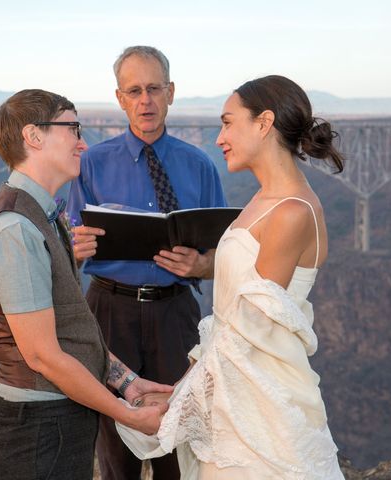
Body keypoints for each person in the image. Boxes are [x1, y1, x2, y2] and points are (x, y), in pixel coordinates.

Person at [117, 75, 346, 479]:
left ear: (263, 123)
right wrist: (178, 388)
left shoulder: (292, 212)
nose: (220, 137)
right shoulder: (261, 200)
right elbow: (228, 324)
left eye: (227, 122)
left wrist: (177, 404)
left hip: (263, 410)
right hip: (232, 394)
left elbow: (247, 334)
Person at [0, 89, 171, 480]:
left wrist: (127, 382)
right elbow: (44, 357)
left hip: (56, 422)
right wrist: (127, 414)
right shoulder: (15, 230)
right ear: (34, 136)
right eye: (72, 128)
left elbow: (70, 327)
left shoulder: (41, 216)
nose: (83, 141)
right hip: (36, 433)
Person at [66, 46, 227, 480]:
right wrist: (72, 246)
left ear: (171, 92)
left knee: (180, 433)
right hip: (109, 311)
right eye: (134, 90)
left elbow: (227, 256)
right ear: (119, 98)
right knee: (115, 442)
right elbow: (64, 247)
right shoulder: (90, 165)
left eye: (154, 88)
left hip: (177, 313)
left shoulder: (200, 166)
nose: (145, 101)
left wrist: (200, 266)